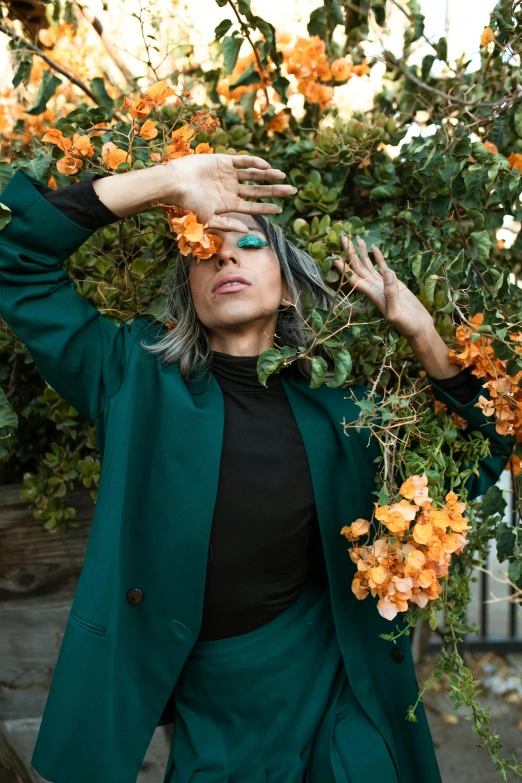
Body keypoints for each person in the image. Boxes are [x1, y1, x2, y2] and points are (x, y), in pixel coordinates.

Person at [0, 152, 513, 783]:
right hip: (217, 703)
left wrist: (423, 333)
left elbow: (484, 448)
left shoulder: (348, 412)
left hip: (338, 686)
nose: (224, 256)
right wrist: (167, 183)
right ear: (187, 291)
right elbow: (19, 267)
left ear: (289, 284)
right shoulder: (133, 379)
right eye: (203, 249)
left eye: (248, 242)